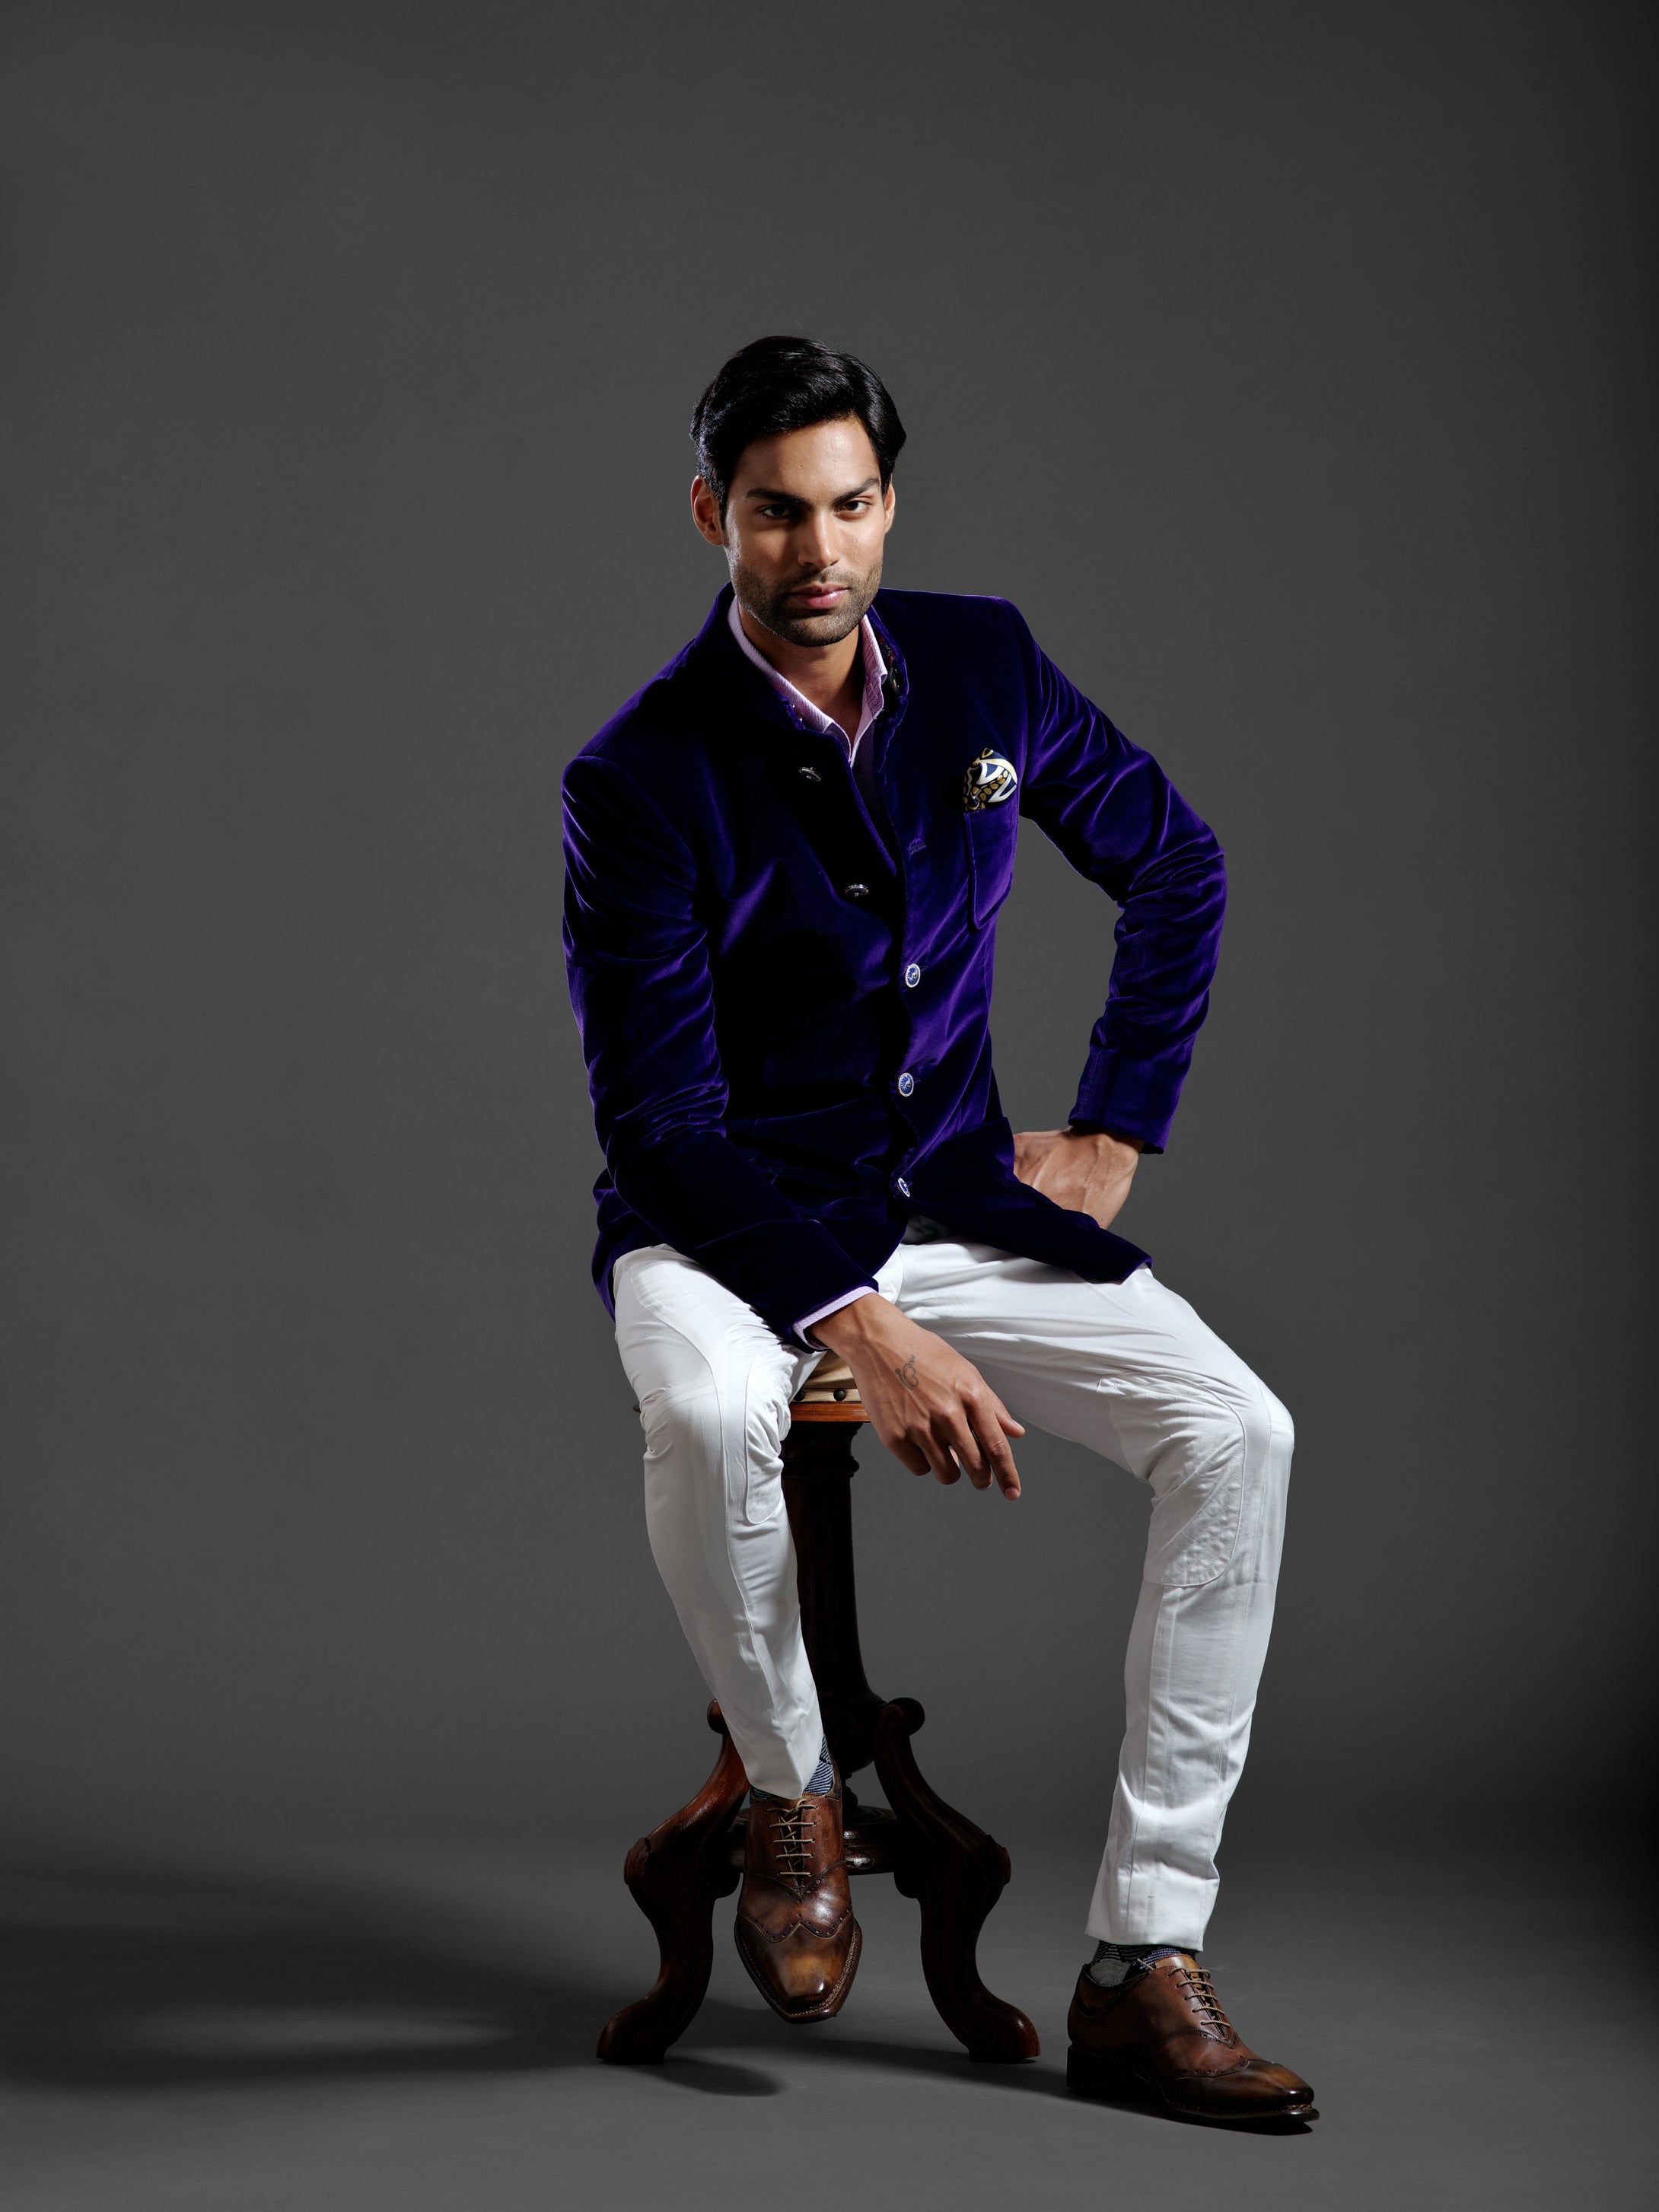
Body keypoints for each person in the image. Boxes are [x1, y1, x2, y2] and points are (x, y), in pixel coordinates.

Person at [561, 336, 1314, 2124]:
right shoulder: (639, 774)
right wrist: (860, 1323)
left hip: (949, 1198)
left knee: (1240, 1433)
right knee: (708, 1408)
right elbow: (657, 1123)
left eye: (848, 506)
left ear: (888, 503)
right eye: (773, 512)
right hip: (719, 1228)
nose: (816, 551)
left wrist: (1115, 1122)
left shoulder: (984, 660)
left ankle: (1143, 1961)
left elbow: (1174, 859)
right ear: (709, 514)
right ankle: (794, 1797)